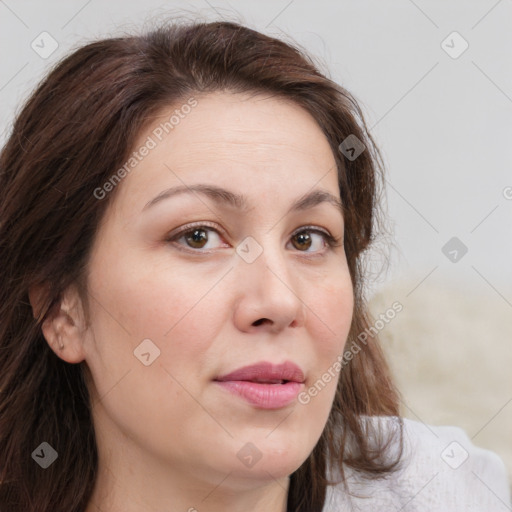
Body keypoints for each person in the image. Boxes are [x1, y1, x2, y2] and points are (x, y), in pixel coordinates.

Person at [0, 18, 509, 512]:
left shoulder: (447, 491)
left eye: (309, 238)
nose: (280, 302)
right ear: (61, 311)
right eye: (198, 237)